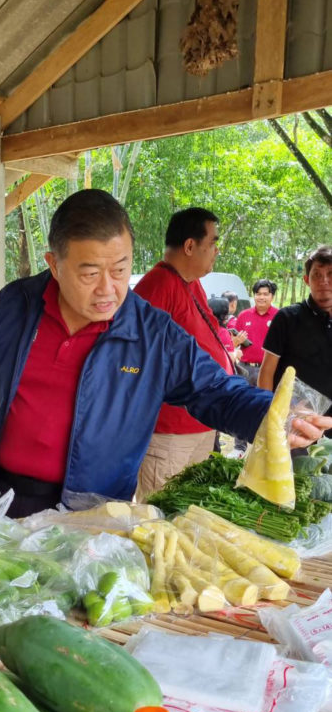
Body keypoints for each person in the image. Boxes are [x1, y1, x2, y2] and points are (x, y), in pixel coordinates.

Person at [0, 190, 331, 519]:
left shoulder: (151, 333)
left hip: (91, 512)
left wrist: (274, 415)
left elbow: (216, 390)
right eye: (90, 274)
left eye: (121, 269)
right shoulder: (15, 305)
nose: (108, 289)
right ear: (54, 265)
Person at [134, 208, 237, 499]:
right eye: (213, 243)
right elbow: (139, 360)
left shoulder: (192, 284)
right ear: (190, 246)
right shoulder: (157, 287)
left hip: (199, 423)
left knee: (191, 514)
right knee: (161, 520)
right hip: (168, 433)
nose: (216, 251)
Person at [259, 248, 332, 415]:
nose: (324, 281)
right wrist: (269, 416)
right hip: (292, 422)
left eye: (330, 273)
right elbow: (266, 371)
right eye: (317, 275)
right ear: (307, 280)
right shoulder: (286, 318)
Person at [235, 278, 279, 386]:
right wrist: (236, 341)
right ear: (254, 295)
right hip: (245, 369)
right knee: (244, 400)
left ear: (272, 296)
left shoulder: (279, 316)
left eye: (265, 294)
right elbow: (233, 344)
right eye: (258, 294)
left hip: (270, 370)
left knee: (267, 400)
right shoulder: (243, 315)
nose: (261, 297)